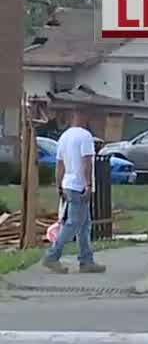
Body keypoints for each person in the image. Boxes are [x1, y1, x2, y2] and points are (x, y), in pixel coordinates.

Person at [44, 109, 105, 274]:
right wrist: (89, 185)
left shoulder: (64, 137)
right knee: (73, 223)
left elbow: (60, 164)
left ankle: (86, 260)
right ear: (84, 117)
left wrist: (58, 185)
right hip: (80, 185)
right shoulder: (85, 136)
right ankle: (52, 256)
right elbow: (87, 163)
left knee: (84, 225)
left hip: (68, 184)